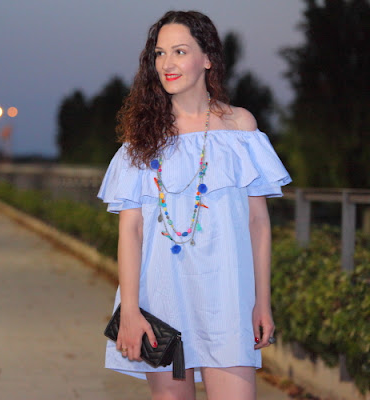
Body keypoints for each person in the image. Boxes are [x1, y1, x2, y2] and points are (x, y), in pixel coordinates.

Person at [97, 10, 291, 400]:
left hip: (227, 296)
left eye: (180, 51)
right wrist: (130, 310)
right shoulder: (142, 137)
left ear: (207, 58)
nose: (167, 63)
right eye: (160, 53)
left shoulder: (240, 127)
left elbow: (258, 224)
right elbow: (131, 230)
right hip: (161, 298)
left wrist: (262, 303)